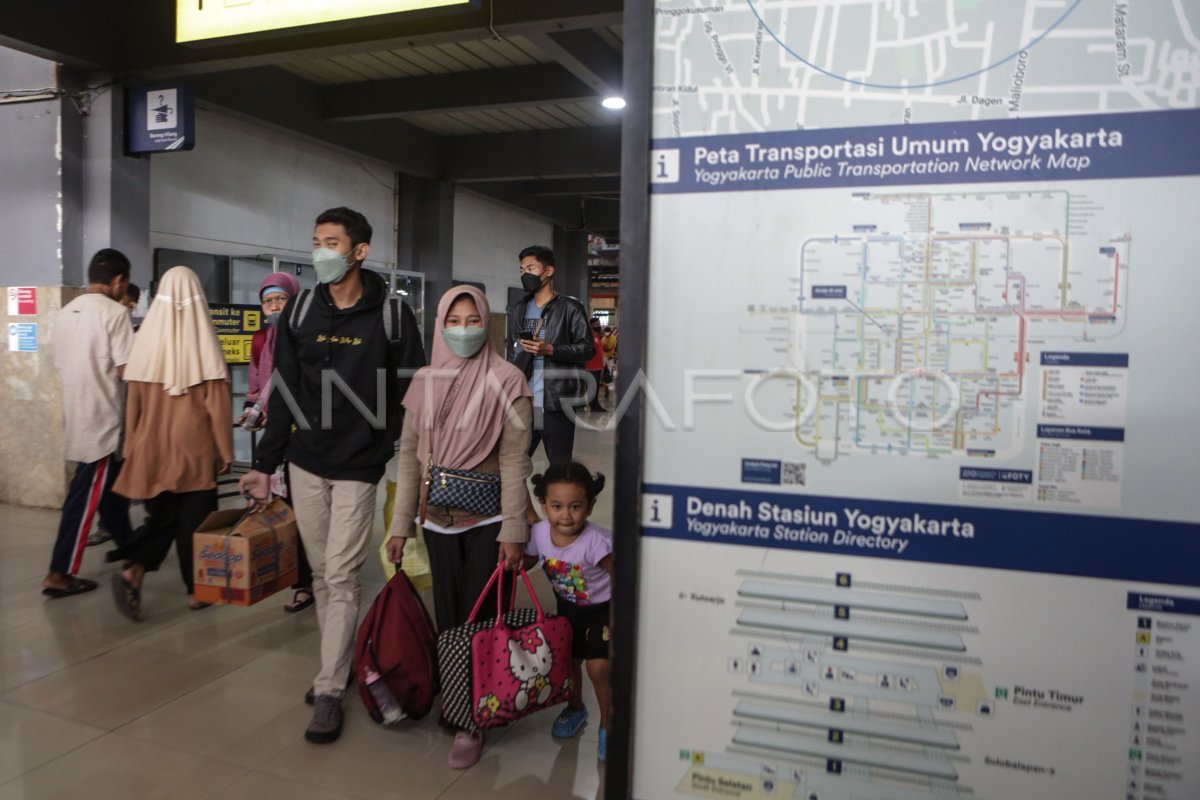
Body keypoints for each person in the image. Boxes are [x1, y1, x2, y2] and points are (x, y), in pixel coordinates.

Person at [239, 207, 425, 745]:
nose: (321, 251)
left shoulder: (391, 316)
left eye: (331, 242)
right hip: (304, 462)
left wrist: (385, 440)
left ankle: (327, 688)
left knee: (341, 576)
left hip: (359, 466)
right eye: (316, 241)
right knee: (322, 575)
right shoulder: (298, 311)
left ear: (359, 251)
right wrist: (264, 465)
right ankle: (338, 665)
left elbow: (412, 391)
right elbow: (284, 391)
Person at [387, 284, 533, 769]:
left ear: (487, 323)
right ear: (441, 324)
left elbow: (515, 459)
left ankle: (474, 718)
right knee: (451, 618)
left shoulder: (508, 379)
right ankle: (459, 700)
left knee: (482, 618)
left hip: (489, 519)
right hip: (437, 519)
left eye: (475, 321)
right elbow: (410, 456)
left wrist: (514, 528)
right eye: (456, 320)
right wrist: (399, 524)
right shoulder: (425, 379)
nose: (465, 329)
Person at [110, 266, 234, 618]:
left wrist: (132, 447)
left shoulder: (144, 345)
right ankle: (197, 591)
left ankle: (134, 570)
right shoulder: (204, 345)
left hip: (151, 447)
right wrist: (226, 451)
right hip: (194, 449)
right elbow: (217, 406)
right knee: (193, 521)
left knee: (163, 517)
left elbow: (131, 406)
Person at [43, 249, 136, 598]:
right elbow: (129, 370)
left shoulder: (66, 312)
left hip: (77, 414)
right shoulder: (115, 314)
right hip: (102, 421)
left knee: (112, 491)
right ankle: (60, 572)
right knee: (83, 499)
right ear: (118, 281)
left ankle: (130, 548)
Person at [523, 461, 613, 762]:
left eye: (575, 506)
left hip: (603, 609)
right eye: (557, 506)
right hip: (567, 609)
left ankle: (609, 725)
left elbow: (624, 576)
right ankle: (576, 708)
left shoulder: (597, 543)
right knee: (567, 662)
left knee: (598, 667)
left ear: (589, 507)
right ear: (544, 505)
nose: (565, 515)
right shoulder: (538, 533)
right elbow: (527, 562)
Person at [237, 271, 314, 614]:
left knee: (307, 508)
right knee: (284, 506)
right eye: (268, 301)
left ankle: (316, 575)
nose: (274, 306)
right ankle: (301, 581)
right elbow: (256, 382)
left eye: (280, 299)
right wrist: (253, 413)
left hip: (305, 434)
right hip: (273, 436)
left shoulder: (307, 335)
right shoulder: (259, 339)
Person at [505, 245, 594, 466]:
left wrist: (551, 349)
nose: (525, 274)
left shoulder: (570, 308)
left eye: (531, 268)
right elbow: (512, 350)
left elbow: (587, 349)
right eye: (522, 269)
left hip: (557, 403)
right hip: (523, 402)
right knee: (512, 467)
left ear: (549, 271)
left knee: (560, 467)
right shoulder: (518, 309)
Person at [584, 318, 606, 412]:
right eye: (597, 324)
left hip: (598, 367)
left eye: (599, 323)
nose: (599, 325)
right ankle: (593, 406)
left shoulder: (597, 336)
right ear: (592, 325)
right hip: (591, 368)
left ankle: (595, 404)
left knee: (596, 387)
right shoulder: (589, 337)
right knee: (592, 388)